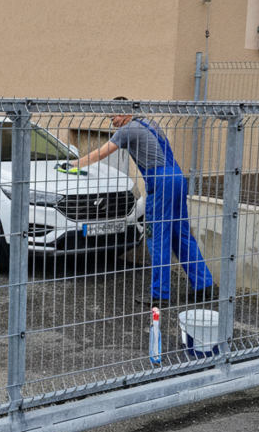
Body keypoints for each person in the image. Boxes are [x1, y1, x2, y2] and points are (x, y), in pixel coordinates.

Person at [64, 100, 216, 305]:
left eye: (114, 117)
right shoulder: (149, 123)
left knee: (157, 236)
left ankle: (159, 294)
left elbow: (100, 153)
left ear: (124, 113)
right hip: (177, 178)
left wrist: (72, 164)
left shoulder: (129, 129)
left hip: (161, 182)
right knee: (181, 234)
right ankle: (204, 286)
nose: (113, 122)